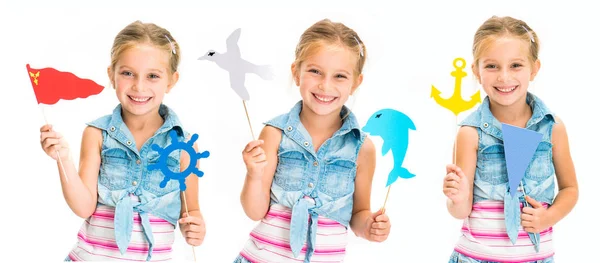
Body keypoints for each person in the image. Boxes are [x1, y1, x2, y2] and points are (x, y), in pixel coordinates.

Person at [40, 20, 206, 261]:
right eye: (127, 73)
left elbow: (191, 211)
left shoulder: (184, 146)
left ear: (171, 80)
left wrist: (196, 229)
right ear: (112, 75)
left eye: (153, 76)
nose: (139, 86)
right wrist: (63, 159)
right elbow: (83, 206)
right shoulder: (97, 134)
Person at [235, 18, 391, 263]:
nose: (325, 85)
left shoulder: (362, 149)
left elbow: (358, 214)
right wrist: (254, 174)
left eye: (339, 76)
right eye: (315, 71)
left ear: (356, 83)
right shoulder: (275, 134)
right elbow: (254, 211)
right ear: (296, 72)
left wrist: (370, 225)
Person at [442, 16, 578, 263]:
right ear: (476, 70)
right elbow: (460, 211)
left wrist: (549, 216)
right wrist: (458, 198)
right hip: (475, 257)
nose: (504, 77)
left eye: (516, 65)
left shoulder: (553, 128)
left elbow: (570, 189)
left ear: (534, 69)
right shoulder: (469, 132)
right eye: (492, 66)